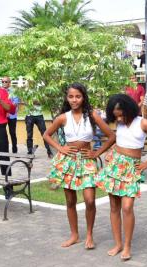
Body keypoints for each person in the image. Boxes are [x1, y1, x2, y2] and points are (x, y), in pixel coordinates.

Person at [97, 94, 147, 261]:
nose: (118, 117)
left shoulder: (142, 123)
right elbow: (118, 138)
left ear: (129, 108)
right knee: (114, 207)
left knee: (127, 206)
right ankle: (118, 244)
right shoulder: (119, 122)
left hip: (132, 167)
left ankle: (128, 245)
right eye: (115, 114)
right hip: (115, 164)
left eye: (121, 113)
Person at [43, 83, 115, 249]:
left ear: (83, 97)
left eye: (78, 96)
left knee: (90, 200)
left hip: (87, 161)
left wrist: (96, 153)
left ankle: (89, 235)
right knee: (70, 201)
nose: (74, 100)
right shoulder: (63, 117)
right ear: (67, 98)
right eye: (71, 97)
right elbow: (46, 135)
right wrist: (61, 148)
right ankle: (74, 235)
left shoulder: (92, 115)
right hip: (68, 161)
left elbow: (111, 136)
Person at [2, 76, 19, 153]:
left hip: (12, 116)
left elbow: (15, 103)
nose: (4, 83)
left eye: (6, 82)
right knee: (2, 134)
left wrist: (8, 111)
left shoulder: (14, 91)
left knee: (12, 133)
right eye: (3, 82)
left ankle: (14, 150)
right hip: (2, 116)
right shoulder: (0, 91)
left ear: (9, 82)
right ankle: (4, 151)